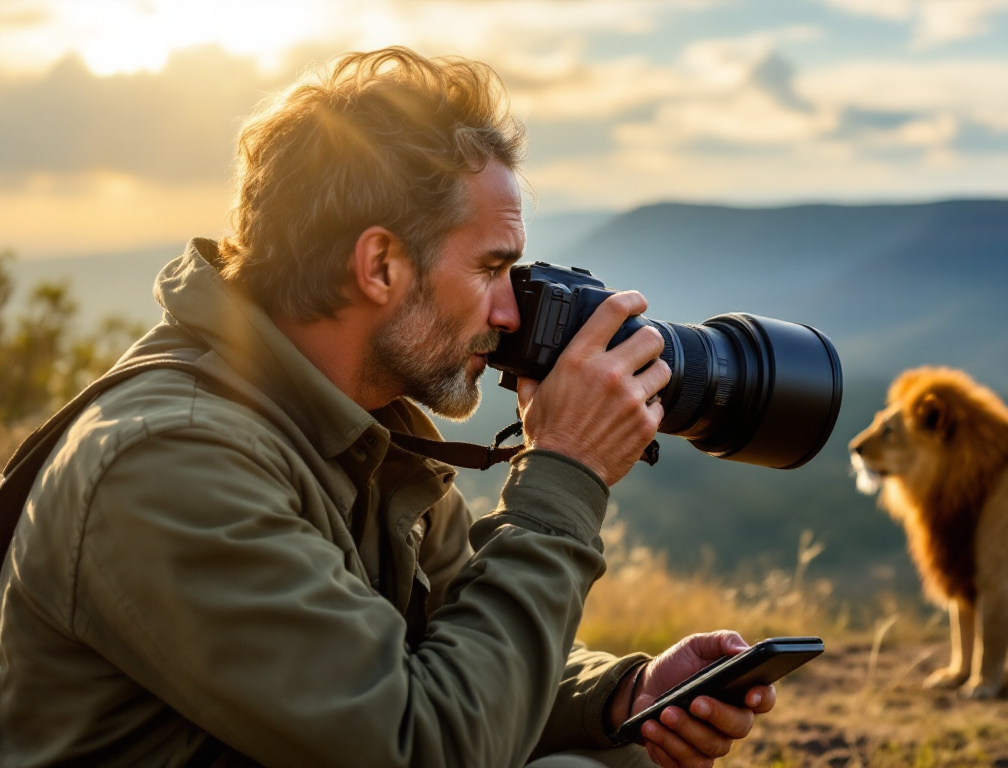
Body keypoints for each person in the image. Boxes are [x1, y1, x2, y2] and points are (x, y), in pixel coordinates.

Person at [0, 47, 775, 767]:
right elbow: (423, 745)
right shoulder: (170, 464)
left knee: (615, 756)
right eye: (491, 268)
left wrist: (620, 697)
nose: (511, 313)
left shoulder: (363, 428)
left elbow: (454, 662)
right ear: (379, 264)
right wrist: (564, 473)